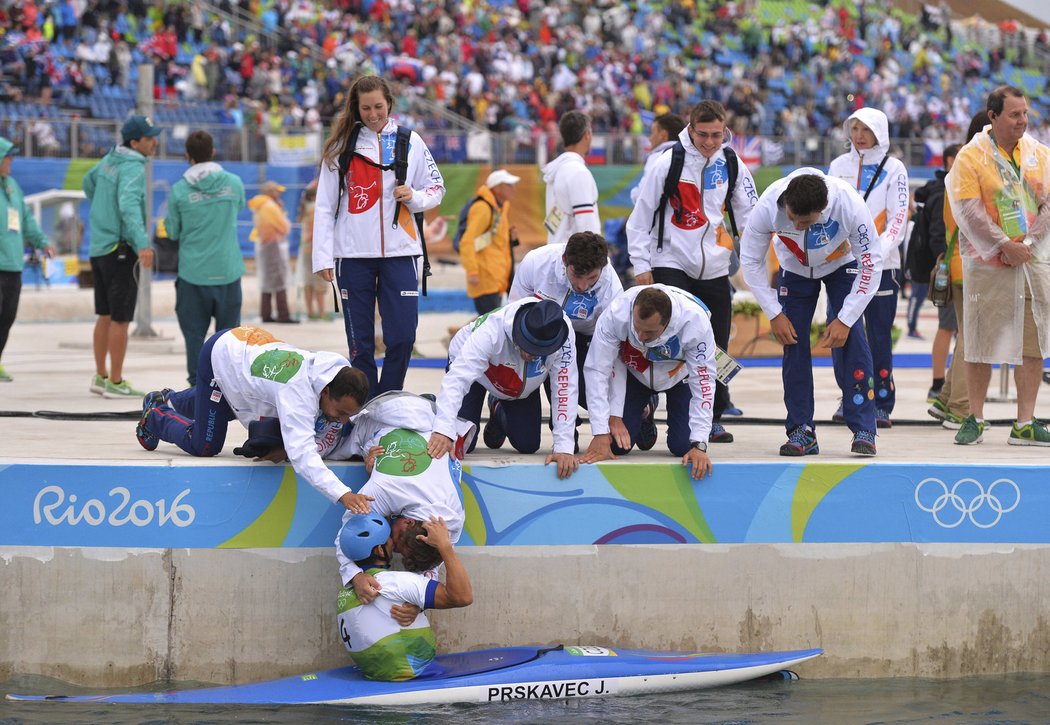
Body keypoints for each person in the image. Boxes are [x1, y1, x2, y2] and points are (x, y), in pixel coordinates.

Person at [625, 100, 759, 445]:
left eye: (718, 134)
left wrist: (756, 258)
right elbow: (639, 219)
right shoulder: (668, 162)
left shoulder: (731, 162)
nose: (711, 141)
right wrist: (642, 266)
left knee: (716, 346)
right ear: (690, 127)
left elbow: (750, 217)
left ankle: (711, 417)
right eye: (704, 134)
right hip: (671, 262)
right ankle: (650, 405)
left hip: (715, 267)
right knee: (666, 341)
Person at [133, 325, 372, 508]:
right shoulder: (297, 393)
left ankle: (169, 400)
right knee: (205, 444)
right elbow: (303, 456)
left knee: (223, 404)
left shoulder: (338, 371)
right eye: (340, 413)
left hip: (247, 347)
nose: (342, 421)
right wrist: (343, 494)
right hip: (222, 355)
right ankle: (155, 415)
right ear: (326, 391)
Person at [313, 75, 445, 398]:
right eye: (366, 108)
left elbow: (436, 188)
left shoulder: (410, 141)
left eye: (379, 107)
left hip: (401, 254)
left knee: (402, 338)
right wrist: (323, 257)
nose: (373, 114)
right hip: (352, 257)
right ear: (356, 109)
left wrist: (414, 197)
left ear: (390, 104)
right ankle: (366, 406)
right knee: (360, 345)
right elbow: (324, 205)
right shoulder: (340, 148)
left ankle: (388, 400)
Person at [739, 169, 883, 456]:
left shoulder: (849, 205)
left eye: (805, 222)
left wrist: (845, 318)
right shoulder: (768, 206)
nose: (796, 225)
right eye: (791, 218)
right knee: (792, 342)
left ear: (822, 210)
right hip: (794, 269)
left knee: (852, 336)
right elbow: (751, 261)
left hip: (842, 264)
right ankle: (801, 430)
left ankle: (864, 427)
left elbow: (871, 263)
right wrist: (774, 312)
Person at [945, 85, 1050, 446]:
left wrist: (1029, 244)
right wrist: (1004, 245)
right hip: (987, 262)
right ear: (993, 116)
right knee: (979, 340)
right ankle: (973, 416)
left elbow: (1049, 204)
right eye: (1015, 114)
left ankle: (1025, 421)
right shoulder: (971, 157)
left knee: (1032, 342)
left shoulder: (1039, 154)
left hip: (1032, 262)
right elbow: (967, 211)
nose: (1023, 120)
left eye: (1025, 114)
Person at [328, 390, 474, 603]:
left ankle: (427, 402)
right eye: (395, 541)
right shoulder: (383, 490)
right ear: (406, 522)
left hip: (432, 419)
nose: (390, 544)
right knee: (331, 446)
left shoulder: (450, 520)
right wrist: (354, 576)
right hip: (390, 408)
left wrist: (418, 603)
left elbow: (439, 555)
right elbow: (347, 532)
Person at [428, 297, 580, 479]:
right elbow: (458, 379)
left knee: (528, 444)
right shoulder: (491, 332)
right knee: (464, 443)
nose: (531, 355)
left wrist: (564, 447)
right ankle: (427, 407)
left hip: (518, 382)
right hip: (479, 375)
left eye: (538, 352)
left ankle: (497, 408)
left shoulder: (562, 333)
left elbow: (565, 386)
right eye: (527, 347)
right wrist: (443, 429)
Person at [579, 285, 716, 481]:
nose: (641, 337)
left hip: (678, 376)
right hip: (636, 373)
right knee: (617, 446)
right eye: (637, 328)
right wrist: (601, 430)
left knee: (683, 447)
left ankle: (656, 411)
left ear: (667, 323)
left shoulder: (695, 322)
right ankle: (646, 411)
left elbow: (703, 382)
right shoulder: (617, 312)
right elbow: (597, 370)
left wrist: (699, 444)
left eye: (649, 332)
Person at [828, 108, 910, 427]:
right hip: (840, 265)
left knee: (877, 336)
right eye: (855, 128)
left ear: (880, 132)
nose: (860, 134)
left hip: (882, 265)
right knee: (841, 331)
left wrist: (875, 253)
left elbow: (898, 218)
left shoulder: (895, 168)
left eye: (867, 129)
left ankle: (881, 402)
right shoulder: (837, 166)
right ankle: (851, 395)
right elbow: (828, 211)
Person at [509, 231, 623, 434]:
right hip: (541, 336)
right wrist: (521, 345)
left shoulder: (612, 288)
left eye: (592, 278)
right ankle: (499, 405)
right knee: (525, 440)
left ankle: (643, 407)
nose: (582, 286)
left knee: (597, 396)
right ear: (564, 261)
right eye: (577, 276)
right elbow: (514, 313)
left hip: (585, 337)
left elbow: (613, 345)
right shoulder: (536, 263)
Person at [335, 514, 472, 681]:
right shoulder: (396, 582)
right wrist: (445, 547)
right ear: (380, 550)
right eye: (390, 539)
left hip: (373, 672)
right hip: (415, 673)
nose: (395, 545)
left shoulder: (346, 591)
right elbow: (463, 597)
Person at [83, 115, 159, 398]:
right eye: (150, 138)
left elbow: (88, 181)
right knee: (120, 318)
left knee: (104, 315)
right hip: (120, 248)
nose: (155, 142)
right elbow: (128, 207)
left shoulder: (110, 159)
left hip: (100, 245)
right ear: (135, 142)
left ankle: (101, 375)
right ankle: (116, 381)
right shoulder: (132, 167)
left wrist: (104, 210)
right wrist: (142, 243)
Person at [164, 130, 247, 385]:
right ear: (212, 152)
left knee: (193, 337)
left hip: (193, 274)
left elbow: (172, 231)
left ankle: (197, 390)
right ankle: (228, 390)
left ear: (188, 156)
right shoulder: (234, 183)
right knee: (229, 339)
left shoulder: (179, 191)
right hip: (228, 271)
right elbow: (240, 206)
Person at [0, 137, 53, 382]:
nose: (11, 161)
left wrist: (42, 242)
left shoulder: (12, 186)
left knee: (7, 317)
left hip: (12, 264)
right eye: (8, 156)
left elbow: (26, 220)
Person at [916, 144, 962, 418]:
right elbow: (937, 236)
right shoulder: (944, 192)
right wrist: (944, 265)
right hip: (949, 271)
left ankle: (944, 384)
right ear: (948, 160)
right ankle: (938, 384)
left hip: (952, 269)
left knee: (956, 331)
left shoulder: (947, 189)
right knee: (948, 328)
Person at [460, 168, 520, 315]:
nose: (513, 189)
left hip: (497, 276)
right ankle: (457, 335)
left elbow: (495, 240)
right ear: (498, 188)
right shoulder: (483, 208)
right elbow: (467, 241)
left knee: (491, 321)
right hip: (484, 277)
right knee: (489, 324)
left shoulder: (499, 208)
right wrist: (472, 271)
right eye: (509, 185)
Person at [541, 110, 601, 246]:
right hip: (575, 261)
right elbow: (587, 227)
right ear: (587, 135)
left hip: (558, 254)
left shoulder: (558, 169)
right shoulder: (578, 172)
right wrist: (598, 261)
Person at [249, 180, 297, 324]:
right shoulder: (270, 207)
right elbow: (284, 227)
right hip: (273, 245)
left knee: (267, 280)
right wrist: (281, 212)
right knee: (279, 279)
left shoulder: (261, 206)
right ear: (270, 192)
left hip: (265, 244)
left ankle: (266, 314)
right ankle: (283, 314)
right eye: (277, 191)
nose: (279, 194)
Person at [629, 113, 686, 204]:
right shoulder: (691, 156)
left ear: (663, 135)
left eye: (652, 132)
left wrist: (634, 193)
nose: (650, 138)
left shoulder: (658, 158)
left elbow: (641, 197)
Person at [296, 181, 329, 320]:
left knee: (308, 281)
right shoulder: (316, 209)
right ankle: (322, 312)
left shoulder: (305, 209)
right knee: (320, 281)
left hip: (305, 248)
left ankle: (311, 312)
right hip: (315, 247)